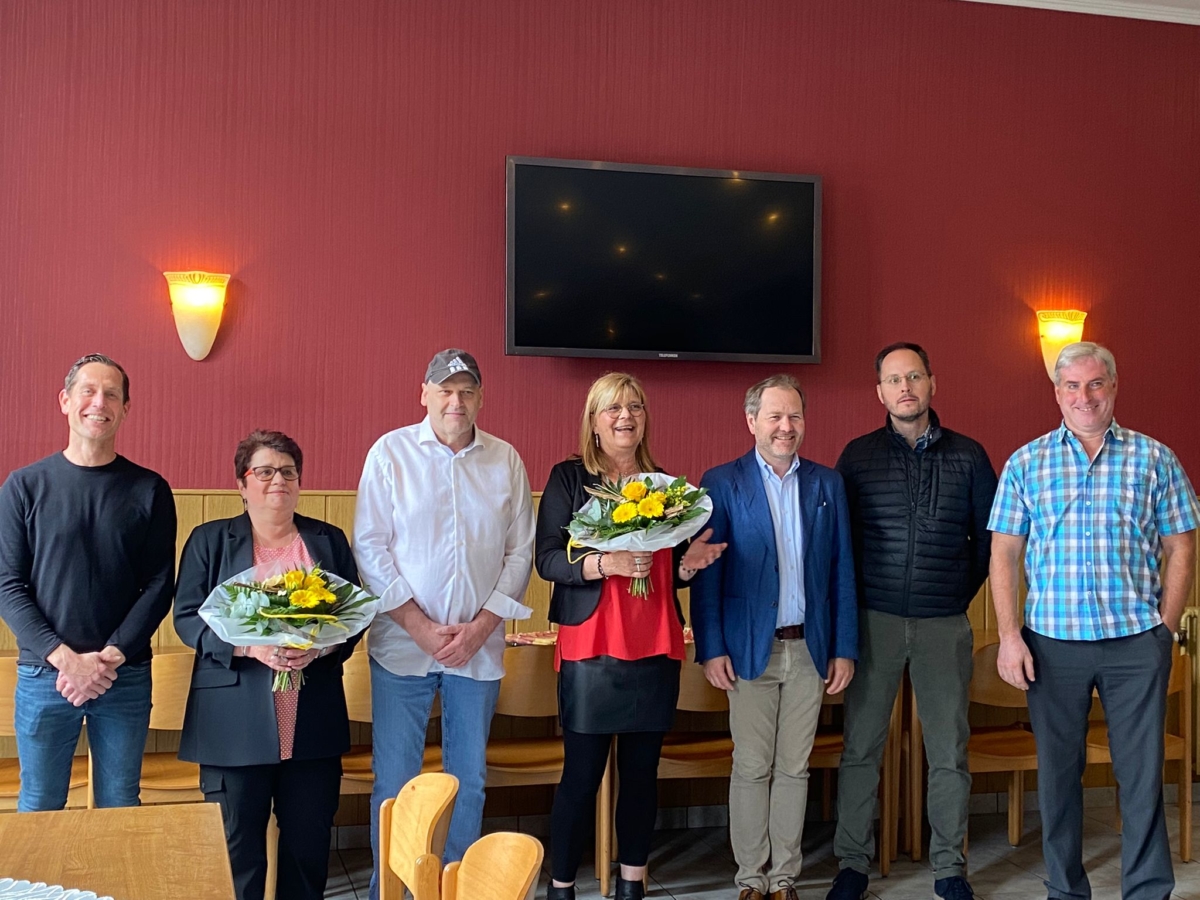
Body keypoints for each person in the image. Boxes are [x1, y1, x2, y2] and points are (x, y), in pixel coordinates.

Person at [989, 342, 1198, 900]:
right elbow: (1004, 554)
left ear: (1113, 386)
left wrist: (1166, 628)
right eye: (1073, 386)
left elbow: (1181, 545)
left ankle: (1148, 890)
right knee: (1059, 779)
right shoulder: (1025, 463)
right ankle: (1065, 890)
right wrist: (1009, 637)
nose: (1085, 396)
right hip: (1052, 645)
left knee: (1141, 778)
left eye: (1095, 383)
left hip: (1136, 642)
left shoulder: (1156, 458)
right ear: (1057, 393)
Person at [353, 349, 535, 899]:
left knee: (468, 781)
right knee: (396, 783)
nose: (456, 401)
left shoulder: (505, 461)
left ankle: (460, 890)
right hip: (402, 647)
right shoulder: (390, 454)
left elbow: (519, 553)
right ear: (424, 394)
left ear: (480, 398)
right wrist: (417, 626)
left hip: (476, 652)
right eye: (445, 390)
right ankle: (397, 889)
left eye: (467, 391)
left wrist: (479, 628)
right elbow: (370, 548)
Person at [535, 372, 726, 900]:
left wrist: (690, 566)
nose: (626, 417)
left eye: (636, 407)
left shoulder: (666, 487)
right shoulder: (569, 479)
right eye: (613, 408)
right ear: (593, 422)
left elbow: (669, 570)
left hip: (656, 641)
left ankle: (632, 885)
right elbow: (548, 558)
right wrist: (605, 562)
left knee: (642, 775)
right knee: (582, 775)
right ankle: (562, 886)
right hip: (592, 643)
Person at [827, 343, 997, 900]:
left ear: (932, 384)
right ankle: (852, 863)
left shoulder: (970, 457)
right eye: (894, 379)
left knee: (949, 750)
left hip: (943, 623)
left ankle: (950, 868)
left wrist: (952, 592)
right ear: (879, 392)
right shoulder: (856, 457)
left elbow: (988, 544)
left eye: (914, 377)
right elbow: (841, 547)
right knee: (860, 748)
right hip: (871, 620)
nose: (905, 388)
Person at [174, 429, 362, 900]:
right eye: (264, 471)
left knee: (308, 850)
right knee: (237, 853)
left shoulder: (328, 540)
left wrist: (320, 648)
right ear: (242, 484)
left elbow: (355, 617)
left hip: (312, 719)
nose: (278, 479)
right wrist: (247, 647)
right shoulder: (209, 540)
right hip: (232, 726)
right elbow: (185, 619)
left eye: (288, 471)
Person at [691, 373, 858, 900]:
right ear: (752, 422)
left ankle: (784, 878)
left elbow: (842, 572)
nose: (786, 427)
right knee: (751, 766)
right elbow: (707, 572)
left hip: (810, 648)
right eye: (775, 416)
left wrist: (845, 648)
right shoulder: (720, 482)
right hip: (747, 650)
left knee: (794, 767)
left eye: (795, 416)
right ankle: (750, 880)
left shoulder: (827, 485)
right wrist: (710, 647)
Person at [0, 353, 176, 811]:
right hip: (44, 674)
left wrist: (109, 658)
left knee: (121, 802)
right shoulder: (23, 486)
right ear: (65, 400)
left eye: (112, 394)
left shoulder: (150, 489)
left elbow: (159, 584)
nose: (100, 402)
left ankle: (116, 889)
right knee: (39, 803)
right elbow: (7, 584)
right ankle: (38, 889)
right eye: (88, 391)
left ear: (125, 408)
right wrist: (66, 661)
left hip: (124, 673)